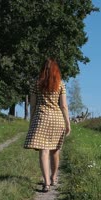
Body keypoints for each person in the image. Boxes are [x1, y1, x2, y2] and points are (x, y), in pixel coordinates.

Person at [24, 58, 71, 192]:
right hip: (57, 119)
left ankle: (46, 182)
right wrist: (68, 123)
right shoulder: (60, 84)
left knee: (44, 151)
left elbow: (32, 105)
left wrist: (31, 121)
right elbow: (64, 106)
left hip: (41, 117)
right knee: (55, 150)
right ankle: (54, 176)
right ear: (56, 70)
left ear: (42, 70)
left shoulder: (36, 84)